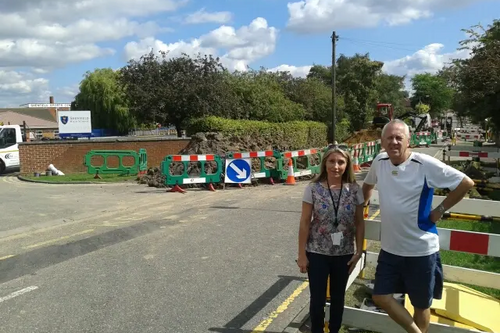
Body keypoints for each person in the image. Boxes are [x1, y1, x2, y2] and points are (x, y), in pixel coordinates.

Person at [362, 119, 474, 333]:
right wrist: (361, 206)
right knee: (380, 296)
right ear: (382, 142)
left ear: (408, 141)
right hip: (390, 249)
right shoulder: (380, 160)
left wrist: (439, 211)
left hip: (421, 251)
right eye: (389, 138)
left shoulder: (424, 164)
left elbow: (466, 182)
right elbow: (367, 185)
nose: (394, 142)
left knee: (421, 305)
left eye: (399, 138)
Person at [297, 146, 366, 333]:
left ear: (347, 165)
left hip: (344, 254)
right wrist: (301, 254)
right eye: (332, 161)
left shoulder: (354, 190)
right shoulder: (313, 188)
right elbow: (304, 222)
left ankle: (334, 330)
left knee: (338, 299)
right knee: (317, 300)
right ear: (325, 163)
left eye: (341, 162)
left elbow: (360, 223)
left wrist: (359, 251)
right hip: (317, 252)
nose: (336, 166)